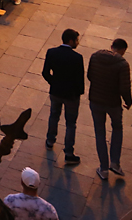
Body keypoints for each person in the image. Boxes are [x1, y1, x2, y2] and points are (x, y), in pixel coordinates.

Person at [87, 38, 132, 180]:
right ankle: (115, 163)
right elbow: (124, 87)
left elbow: (89, 76)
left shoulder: (95, 57)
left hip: (96, 100)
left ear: (111, 46)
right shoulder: (122, 64)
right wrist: (128, 101)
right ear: (123, 50)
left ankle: (104, 168)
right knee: (117, 128)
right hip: (113, 103)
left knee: (100, 132)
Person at [42, 29, 84, 165]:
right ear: (71, 41)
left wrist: (53, 82)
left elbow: (45, 72)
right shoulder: (77, 58)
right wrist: (79, 92)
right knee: (71, 123)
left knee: (54, 115)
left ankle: (50, 140)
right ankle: (68, 152)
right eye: (77, 40)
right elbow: (80, 79)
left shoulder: (52, 52)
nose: (78, 42)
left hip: (56, 92)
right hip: (71, 95)